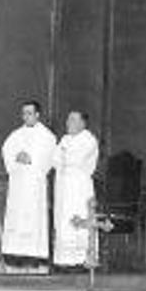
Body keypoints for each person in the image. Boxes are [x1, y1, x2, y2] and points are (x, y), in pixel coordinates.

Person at [1, 100, 58, 270]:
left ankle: (34, 254)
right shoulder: (16, 134)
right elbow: (7, 150)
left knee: (33, 216)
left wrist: (31, 159)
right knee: (16, 216)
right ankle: (14, 252)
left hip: (34, 184)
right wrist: (15, 158)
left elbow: (49, 157)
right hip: (18, 183)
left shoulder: (47, 136)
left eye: (30, 113)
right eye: (24, 113)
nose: (26, 116)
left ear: (37, 115)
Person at [53, 111, 99, 269]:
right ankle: (65, 259)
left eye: (72, 119)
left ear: (82, 123)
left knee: (78, 218)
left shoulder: (89, 140)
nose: (67, 122)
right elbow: (55, 159)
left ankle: (81, 258)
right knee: (64, 218)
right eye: (68, 119)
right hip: (64, 186)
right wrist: (63, 154)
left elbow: (75, 160)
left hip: (80, 187)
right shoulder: (65, 139)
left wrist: (64, 154)